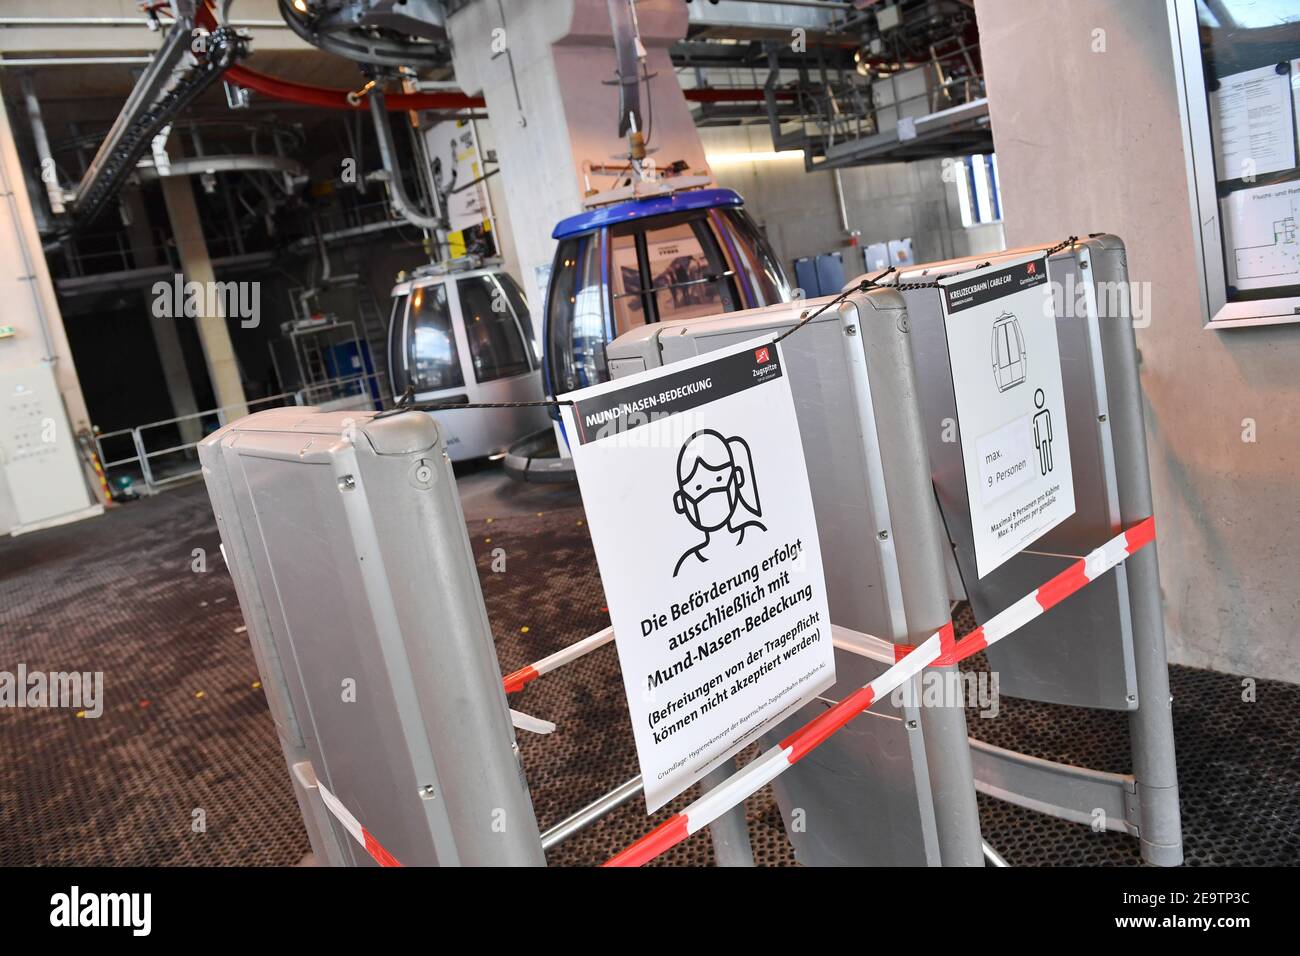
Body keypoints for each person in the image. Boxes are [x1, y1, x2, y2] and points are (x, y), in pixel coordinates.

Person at [672, 429, 766, 577]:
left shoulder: (755, 532)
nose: (709, 493)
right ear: (682, 502)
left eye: (719, 479)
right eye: (698, 488)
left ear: (737, 477)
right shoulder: (687, 567)